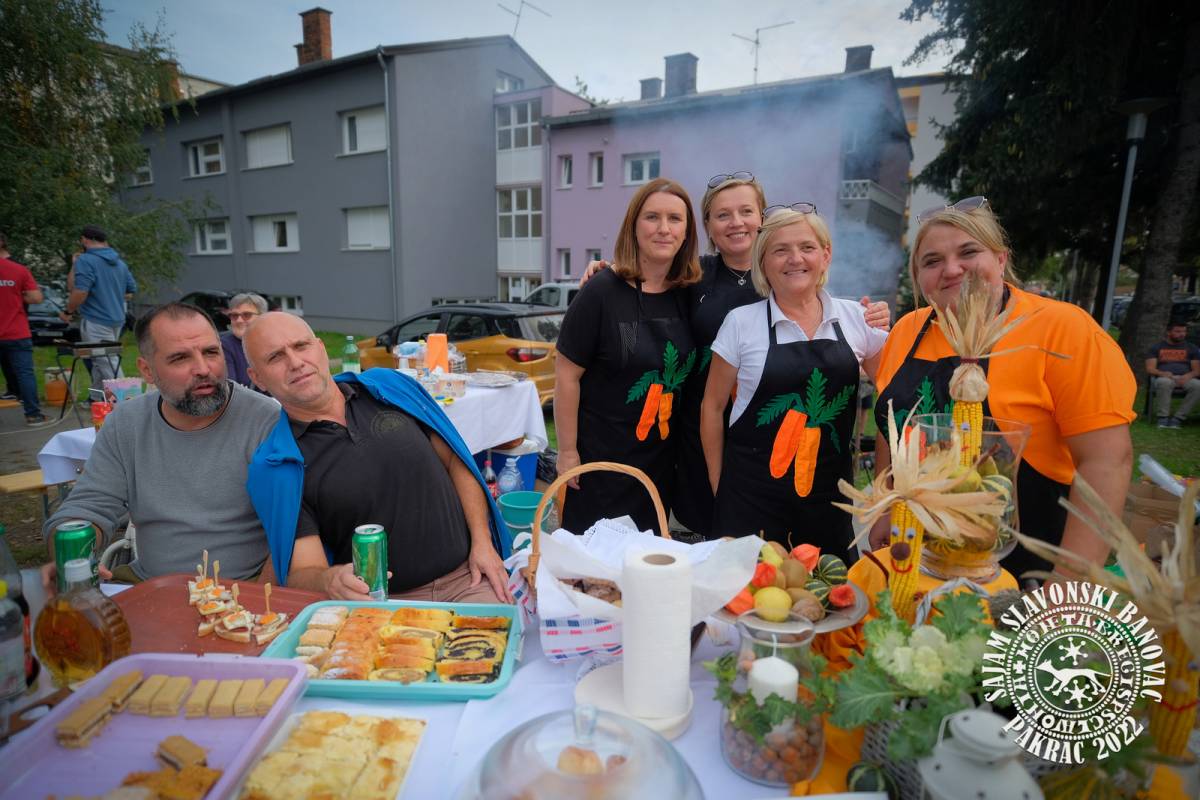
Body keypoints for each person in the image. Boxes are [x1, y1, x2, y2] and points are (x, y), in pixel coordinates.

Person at [579, 173, 890, 537]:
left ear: (762, 220)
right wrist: (609, 272)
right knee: (710, 539)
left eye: (746, 211)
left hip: (782, 442)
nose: (736, 222)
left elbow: (827, 314)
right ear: (708, 227)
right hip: (699, 437)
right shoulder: (691, 275)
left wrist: (872, 317)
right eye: (722, 215)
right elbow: (648, 276)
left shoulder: (789, 274)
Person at [871, 197, 1136, 582]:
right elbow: (891, 425)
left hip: (1028, 567)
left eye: (968, 252)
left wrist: (1068, 582)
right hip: (916, 562)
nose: (951, 269)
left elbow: (1107, 461)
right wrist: (885, 504)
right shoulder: (907, 331)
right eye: (932, 261)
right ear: (918, 276)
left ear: (1000, 259)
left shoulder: (1062, 329)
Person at [243, 312, 513, 603]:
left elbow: (456, 461)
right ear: (257, 378)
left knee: (515, 630)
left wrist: (483, 543)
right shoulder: (277, 464)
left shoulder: (390, 388)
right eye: (275, 357)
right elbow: (302, 571)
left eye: (301, 346)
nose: (296, 362)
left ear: (320, 348)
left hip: (469, 579)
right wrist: (329, 580)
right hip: (381, 605)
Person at [40, 302, 281, 589]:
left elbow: (293, 529)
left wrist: (258, 596)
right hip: (151, 583)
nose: (203, 369)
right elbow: (88, 506)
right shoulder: (125, 423)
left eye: (211, 352)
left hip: (245, 586)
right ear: (147, 370)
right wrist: (71, 554)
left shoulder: (265, 419)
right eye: (180, 358)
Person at [701, 207, 887, 546]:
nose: (795, 259)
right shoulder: (740, 323)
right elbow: (712, 408)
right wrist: (718, 486)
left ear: (825, 255)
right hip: (748, 503)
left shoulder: (859, 319)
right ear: (763, 263)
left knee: (826, 582)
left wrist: (886, 491)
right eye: (780, 250)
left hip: (829, 505)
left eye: (807, 247)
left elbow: (892, 402)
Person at [554, 178, 701, 536]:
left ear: (687, 232)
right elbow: (566, 376)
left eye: (675, 219)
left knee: (644, 560)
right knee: (592, 561)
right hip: (599, 465)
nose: (664, 228)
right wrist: (567, 453)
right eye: (652, 217)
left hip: (659, 467)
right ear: (634, 226)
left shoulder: (691, 292)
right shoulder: (601, 292)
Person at [62, 225, 137, 393]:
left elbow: (78, 291)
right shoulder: (120, 263)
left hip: (96, 319)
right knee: (99, 360)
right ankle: (96, 399)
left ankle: (127, 400)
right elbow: (130, 291)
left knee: (107, 362)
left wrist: (68, 312)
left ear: (84, 240)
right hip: (117, 319)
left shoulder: (86, 260)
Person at [0, 231, 51, 426]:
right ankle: (33, 415)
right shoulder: (18, 270)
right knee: (24, 374)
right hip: (16, 331)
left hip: (14, 331)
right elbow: (36, 297)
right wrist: (16, 295)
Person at [1146, 321, 1200, 428]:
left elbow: (1197, 371)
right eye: (1178, 331)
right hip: (1164, 377)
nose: (1182, 334)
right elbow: (1150, 368)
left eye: (1184, 331)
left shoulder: (1191, 348)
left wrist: (1187, 376)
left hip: (1185, 378)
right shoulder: (1157, 347)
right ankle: (1163, 418)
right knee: (1164, 383)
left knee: (1198, 386)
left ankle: (1178, 418)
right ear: (1168, 332)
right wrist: (1162, 373)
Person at [221, 292, 268, 389]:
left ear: (262, 317)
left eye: (246, 315)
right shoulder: (224, 346)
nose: (239, 320)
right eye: (234, 315)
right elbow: (231, 389)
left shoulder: (272, 342)